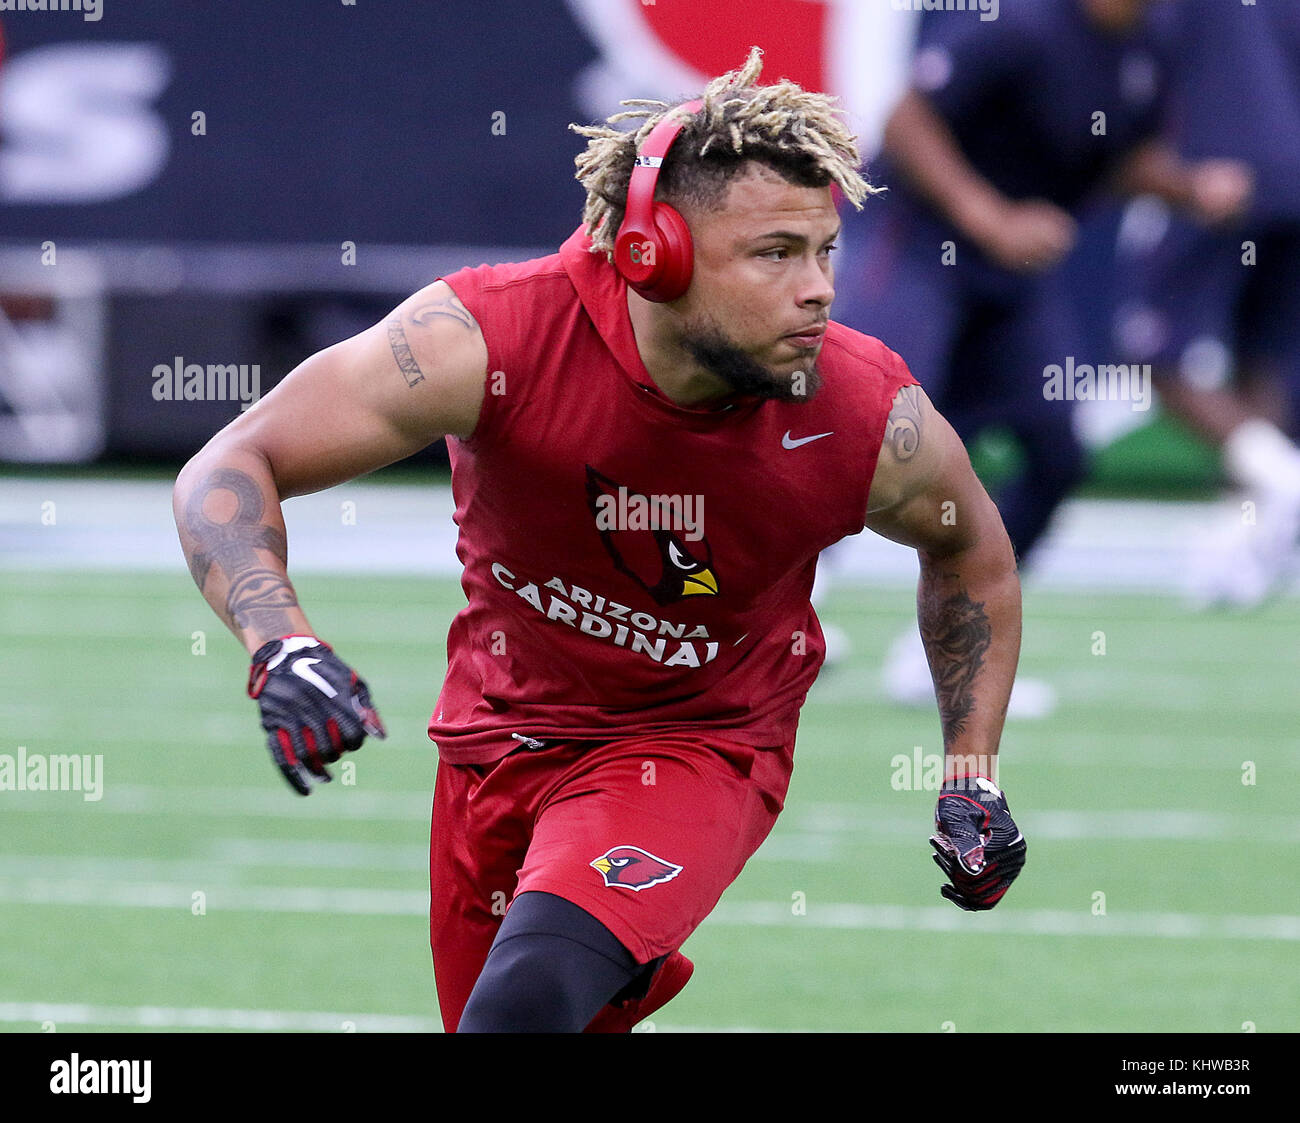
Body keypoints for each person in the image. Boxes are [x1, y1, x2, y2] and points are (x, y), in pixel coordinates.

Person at [173, 48, 1027, 1034]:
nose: (818, 290)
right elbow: (232, 462)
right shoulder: (491, 340)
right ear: (650, 255)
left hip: (696, 748)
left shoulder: (861, 408)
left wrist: (970, 774)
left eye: (824, 251)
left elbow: (971, 553)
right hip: (493, 745)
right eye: (774, 254)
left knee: (525, 1008)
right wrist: (281, 641)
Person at [831, 0, 1252, 712]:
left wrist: (1187, 188)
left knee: (1056, 450)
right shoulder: (1018, 24)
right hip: (918, 242)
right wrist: (989, 217)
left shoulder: (1147, 46)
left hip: (1007, 273)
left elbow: (1115, 154)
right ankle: (775, 610)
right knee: (875, 425)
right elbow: (906, 119)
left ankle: (945, 650)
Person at [1114, 0, 1300, 606]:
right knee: (1262, 360)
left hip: (1215, 174)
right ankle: (1247, 543)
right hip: (1289, 178)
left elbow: (1138, 62)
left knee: (1147, 352)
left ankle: (1283, 480)